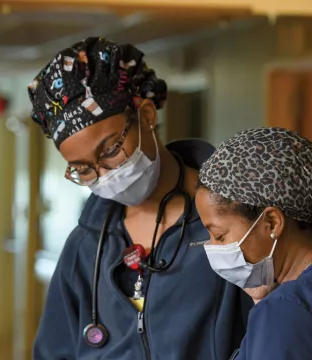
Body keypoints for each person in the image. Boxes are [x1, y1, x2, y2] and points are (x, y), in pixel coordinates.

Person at [27, 37, 252, 360]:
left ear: (146, 115)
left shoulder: (233, 220)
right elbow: (53, 351)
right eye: (83, 169)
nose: (104, 173)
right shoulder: (87, 245)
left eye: (110, 150)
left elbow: (273, 334)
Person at [196, 127, 312, 359]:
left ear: (272, 222)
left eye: (220, 235)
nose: (213, 247)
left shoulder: (286, 310)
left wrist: (271, 310)